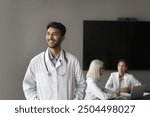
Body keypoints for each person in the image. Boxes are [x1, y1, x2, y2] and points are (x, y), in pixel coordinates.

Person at [23, 22, 86, 100]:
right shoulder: (36, 61)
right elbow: (28, 86)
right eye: (48, 34)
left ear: (62, 38)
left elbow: (81, 85)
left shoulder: (72, 61)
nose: (50, 37)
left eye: (54, 34)